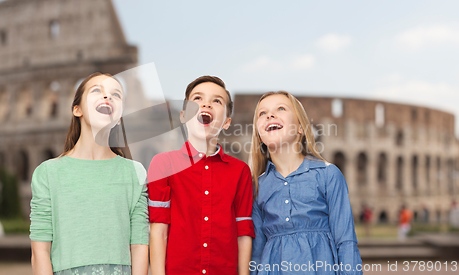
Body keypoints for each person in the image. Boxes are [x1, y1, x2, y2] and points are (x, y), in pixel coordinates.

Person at [30, 72, 149, 275]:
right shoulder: (47, 173)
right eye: (97, 91)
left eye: (116, 95)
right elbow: (40, 251)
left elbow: (139, 246)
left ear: (120, 117)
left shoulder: (134, 172)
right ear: (77, 110)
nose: (108, 97)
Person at [148, 76, 255, 275]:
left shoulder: (240, 171)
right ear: (182, 116)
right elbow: (159, 230)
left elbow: (243, 231)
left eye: (217, 101)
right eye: (197, 98)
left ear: (226, 122)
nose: (206, 103)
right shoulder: (163, 164)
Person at [250, 91, 363, 275]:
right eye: (262, 113)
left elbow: (346, 241)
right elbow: (256, 253)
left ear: (300, 127)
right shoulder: (257, 187)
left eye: (281, 108)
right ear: (259, 133)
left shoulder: (327, 175)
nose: (269, 115)